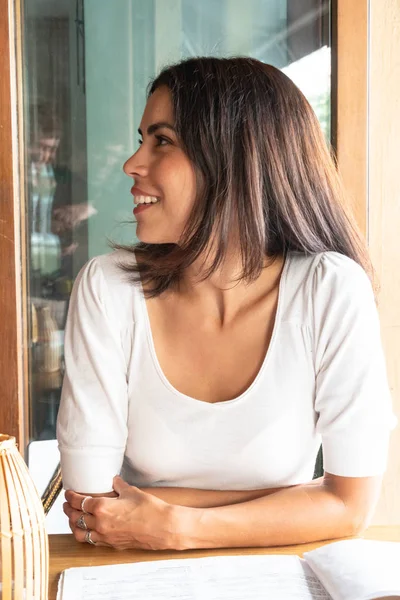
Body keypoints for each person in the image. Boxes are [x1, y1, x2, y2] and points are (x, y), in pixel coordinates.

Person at [58, 56, 395, 551]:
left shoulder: (330, 290)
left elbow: (352, 508)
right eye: (141, 139)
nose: (132, 163)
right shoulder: (107, 290)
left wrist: (176, 525)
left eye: (162, 140)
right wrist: (295, 502)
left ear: (235, 157)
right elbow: (90, 507)